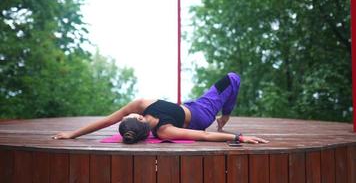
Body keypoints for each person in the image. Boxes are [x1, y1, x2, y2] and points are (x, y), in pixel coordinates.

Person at [53, 72, 268, 144]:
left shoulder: (141, 105)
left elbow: (108, 120)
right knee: (232, 79)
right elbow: (204, 136)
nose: (130, 112)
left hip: (188, 104)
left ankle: (225, 116)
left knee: (226, 84)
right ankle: (225, 117)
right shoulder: (164, 130)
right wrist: (238, 138)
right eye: (132, 116)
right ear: (139, 120)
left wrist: (73, 134)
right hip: (202, 113)